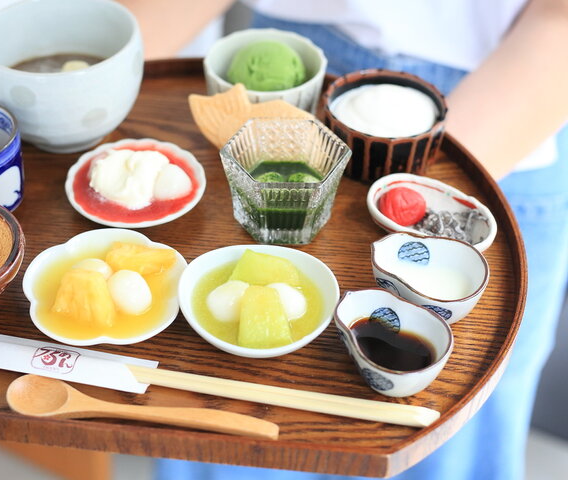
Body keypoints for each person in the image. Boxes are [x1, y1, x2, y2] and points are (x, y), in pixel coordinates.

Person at [117, 1, 568, 479]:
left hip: (509, 102)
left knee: (440, 431)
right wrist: (97, 78)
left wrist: (412, 199)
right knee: (234, 430)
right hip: (294, 74)